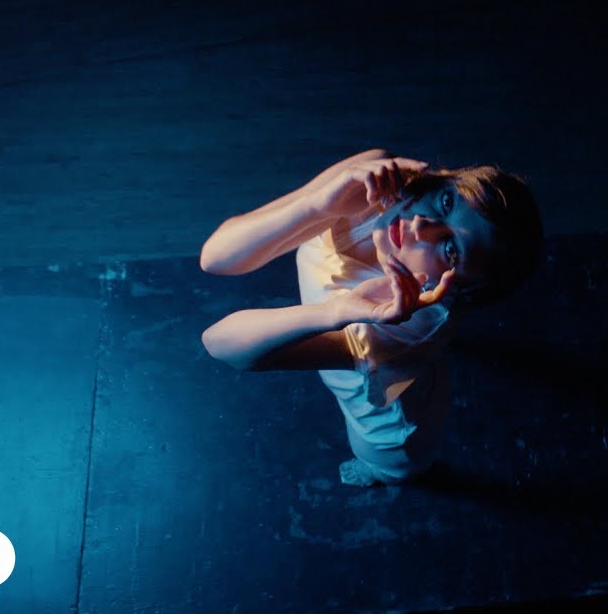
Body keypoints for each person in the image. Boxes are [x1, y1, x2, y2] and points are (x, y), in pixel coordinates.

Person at [200, 148, 542, 486]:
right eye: (447, 202)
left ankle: (380, 472)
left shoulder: (401, 325)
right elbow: (215, 258)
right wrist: (315, 204)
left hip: (383, 418)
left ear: (453, 289)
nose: (421, 225)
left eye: (450, 249)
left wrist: (334, 313)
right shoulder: (375, 175)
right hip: (408, 348)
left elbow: (218, 343)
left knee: (389, 460)